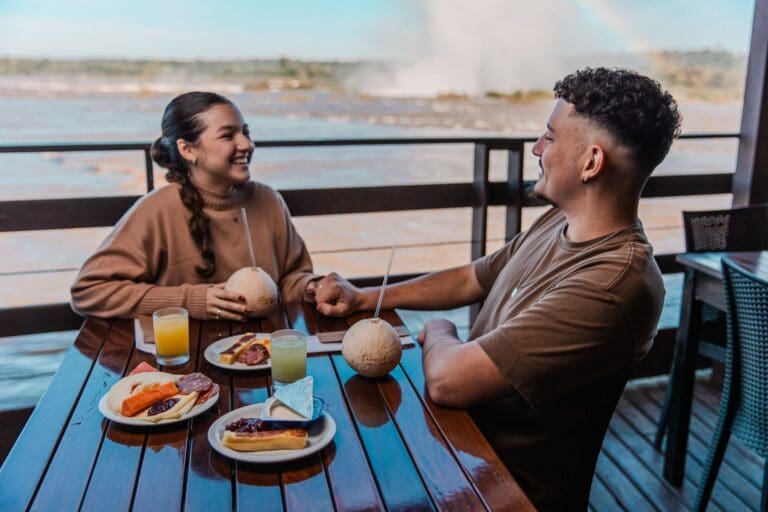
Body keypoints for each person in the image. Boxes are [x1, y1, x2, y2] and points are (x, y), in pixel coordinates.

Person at [313, 67, 681, 511]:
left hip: (501, 488)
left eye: (549, 137)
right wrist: (366, 297)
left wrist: (442, 331)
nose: (536, 149)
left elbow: (449, 381)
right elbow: (474, 277)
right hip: (460, 448)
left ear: (591, 162)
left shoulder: (613, 285)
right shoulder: (560, 223)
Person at [71, 91, 320, 321]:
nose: (246, 144)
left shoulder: (269, 200)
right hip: (185, 357)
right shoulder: (157, 209)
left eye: (246, 132)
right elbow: (89, 291)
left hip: (264, 348)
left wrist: (313, 287)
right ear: (188, 149)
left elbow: (289, 281)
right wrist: (191, 301)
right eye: (227, 135)